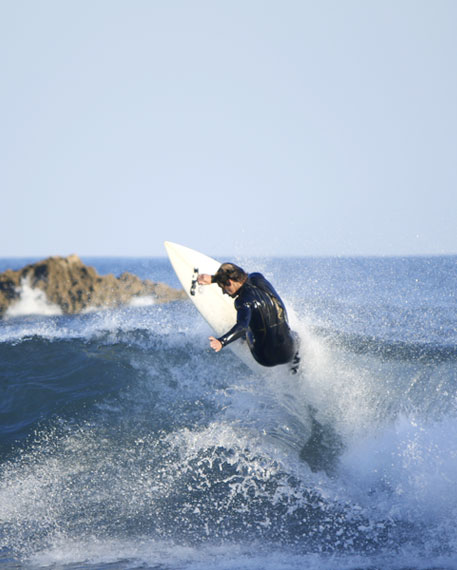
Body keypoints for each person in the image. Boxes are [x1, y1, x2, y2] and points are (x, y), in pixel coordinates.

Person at [198, 263, 299, 369]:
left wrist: (221, 342)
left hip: (265, 358)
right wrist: (214, 279)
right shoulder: (257, 277)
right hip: (288, 352)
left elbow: (242, 327)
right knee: (295, 335)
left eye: (223, 287)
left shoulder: (243, 301)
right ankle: (295, 368)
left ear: (229, 282)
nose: (224, 292)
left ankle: (243, 340)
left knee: (248, 324)